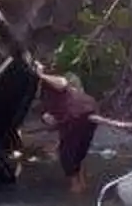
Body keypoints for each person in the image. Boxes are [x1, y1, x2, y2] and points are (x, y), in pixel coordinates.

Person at [35, 63, 98, 193]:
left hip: (77, 114)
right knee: (77, 151)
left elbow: (62, 83)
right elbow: (50, 117)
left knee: (68, 154)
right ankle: (81, 184)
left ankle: (76, 188)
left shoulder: (48, 81)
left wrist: (41, 75)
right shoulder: (42, 94)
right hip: (84, 113)